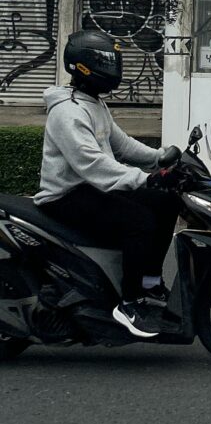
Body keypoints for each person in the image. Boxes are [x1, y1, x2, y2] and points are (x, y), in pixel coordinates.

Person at [34, 29, 185, 339]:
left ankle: (149, 282)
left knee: (168, 201)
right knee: (138, 220)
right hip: (65, 195)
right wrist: (144, 179)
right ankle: (129, 304)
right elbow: (92, 164)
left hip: (91, 188)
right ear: (85, 67)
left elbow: (121, 144)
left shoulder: (93, 103)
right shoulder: (67, 111)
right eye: (106, 63)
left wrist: (160, 159)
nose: (113, 69)